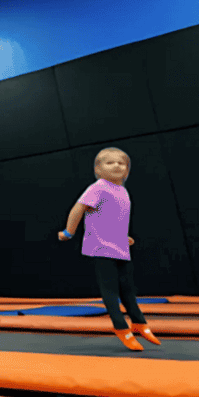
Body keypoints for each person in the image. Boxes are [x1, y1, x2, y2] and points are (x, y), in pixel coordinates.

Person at [58, 146, 161, 352]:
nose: (116, 165)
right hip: (101, 246)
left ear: (127, 170)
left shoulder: (122, 191)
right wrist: (68, 232)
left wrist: (124, 236)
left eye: (121, 163)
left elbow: (116, 219)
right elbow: (78, 208)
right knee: (110, 289)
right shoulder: (98, 187)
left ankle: (139, 322)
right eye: (110, 162)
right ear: (98, 169)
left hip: (120, 246)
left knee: (128, 288)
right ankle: (120, 326)